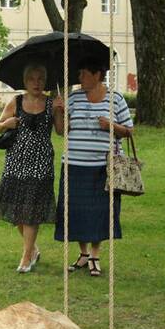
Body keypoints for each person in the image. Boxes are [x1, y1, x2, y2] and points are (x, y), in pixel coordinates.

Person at [53, 59, 133, 278]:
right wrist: (58, 112)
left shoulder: (115, 99)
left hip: (102, 168)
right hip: (74, 165)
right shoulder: (74, 98)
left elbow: (128, 130)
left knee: (100, 212)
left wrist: (111, 126)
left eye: (84, 73)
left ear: (98, 74)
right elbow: (61, 131)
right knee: (76, 212)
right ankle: (83, 253)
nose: (80, 78)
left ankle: (95, 255)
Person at [0, 63, 57, 272]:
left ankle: (26, 257)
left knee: (31, 208)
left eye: (40, 79)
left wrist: (60, 111)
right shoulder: (16, 101)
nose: (36, 83)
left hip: (41, 161)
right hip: (16, 159)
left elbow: (61, 131)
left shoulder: (52, 103)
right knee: (15, 207)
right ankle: (32, 249)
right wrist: (7, 124)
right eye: (32, 79)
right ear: (25, 82)